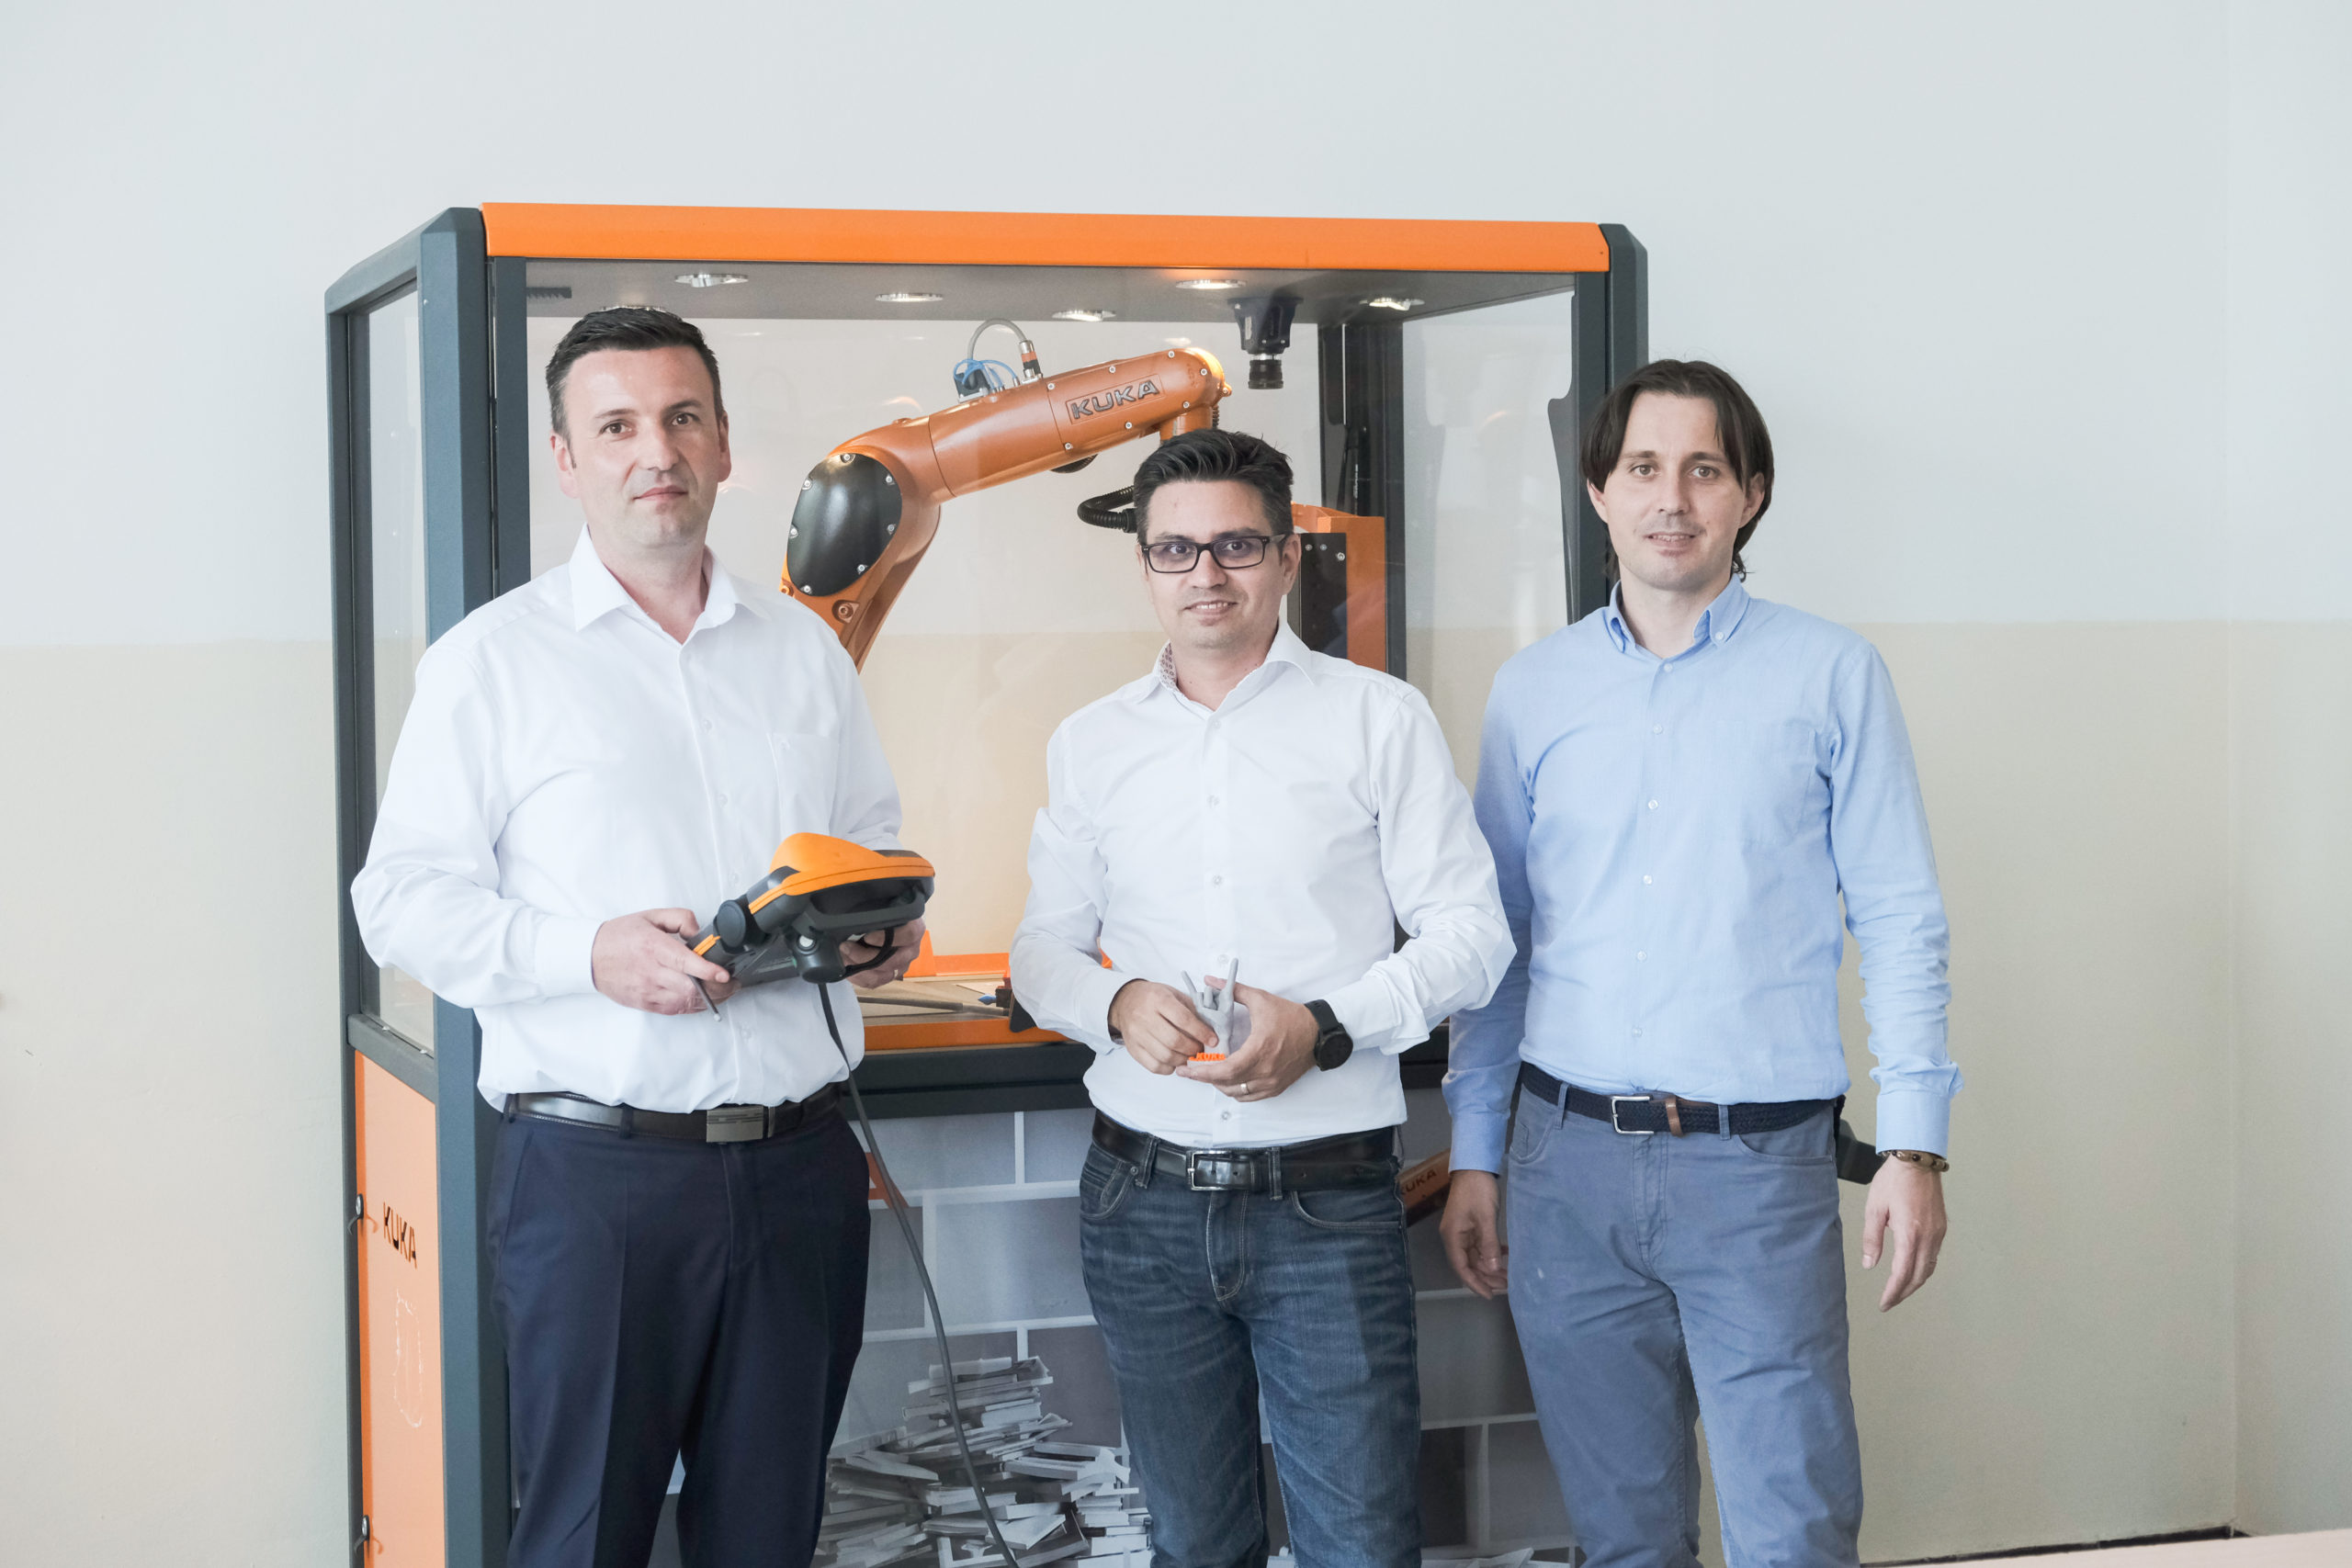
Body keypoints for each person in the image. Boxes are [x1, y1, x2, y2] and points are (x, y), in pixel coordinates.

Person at [352, 307, 919, 1568]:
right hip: (597, 1181)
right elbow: (399, 898)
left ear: (723, 445)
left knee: (770, 1533)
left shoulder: (804, 652)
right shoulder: (489, 662)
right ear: (566, 460)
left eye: (680, 418)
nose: (654, 450)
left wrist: (884, 933)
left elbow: (867, 843)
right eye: (615, 426)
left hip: (802, 1169)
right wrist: (588, 953)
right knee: (582, 1537)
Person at [1440, 360, 1962, 1568]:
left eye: (1704, 469)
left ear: (1750, 495)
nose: (1670, 497)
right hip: (1565, 1166)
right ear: (1598, 491)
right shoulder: (1533, 691)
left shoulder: (1831, 674)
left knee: (1794, 1530)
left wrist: (1914, 1142)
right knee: (1623, 1538)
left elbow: (1900, 915)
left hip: (1756, 1168)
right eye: (1643, 467)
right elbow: (1498, 939)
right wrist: (1475, 1151)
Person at [1009, 428, 1511, 1568]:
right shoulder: (1091, 743)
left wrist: (1326, 1028)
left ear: (1286, 557)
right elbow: (1041, 953)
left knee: (1362, 1544)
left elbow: (1472, 938)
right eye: (1175, 550)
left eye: (1235, 545)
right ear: (1145, 565)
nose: (1206, 574)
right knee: (1193, 1544)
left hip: (1325, 1204)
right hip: (1138, 1201)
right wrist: (1116, 1002)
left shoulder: (1379, 718)